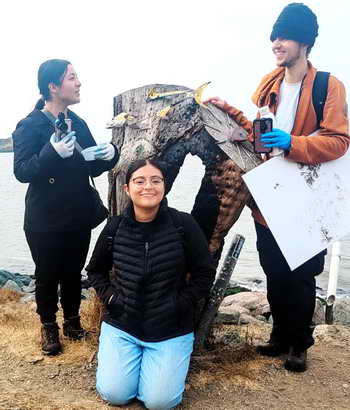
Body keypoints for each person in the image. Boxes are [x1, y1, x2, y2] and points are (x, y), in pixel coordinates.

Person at [206, 3, 349, 372]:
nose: (275, 43)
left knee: (301, 274)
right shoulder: (269, 87)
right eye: (274, 36)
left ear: (303, 41)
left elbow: (338, 141)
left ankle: (300, 343)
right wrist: (231, 113)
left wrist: (293, 144)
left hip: (307, 198)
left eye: (283, 36)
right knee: (272, 268)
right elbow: (261, 138)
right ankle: (279, 336)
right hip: (269, 197)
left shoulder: (326, 86)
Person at [86, 159, 216, 409]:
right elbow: (95, 271)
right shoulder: (115, 226)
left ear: (164, 186)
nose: (148, 187)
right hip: (123, 326)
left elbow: (204, 273)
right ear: (127, 189)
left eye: (156, 181)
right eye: (139, 181)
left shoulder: (183, 224)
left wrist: (180, 304)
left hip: (170, 328)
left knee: (160, 402)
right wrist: (113, 299)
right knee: (115, 395)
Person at [12, 59, 119, 356]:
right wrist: (51, 152)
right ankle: (49, 326)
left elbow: (94, 166)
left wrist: (111, 153)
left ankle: (72, 322)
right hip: (43, 219)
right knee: (47, 274)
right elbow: (22, 171)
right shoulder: (30, 125)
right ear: (53, 86)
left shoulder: (79, 123)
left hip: (78, 214)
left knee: (73, 272)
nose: (79, 82)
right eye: (72, 77)